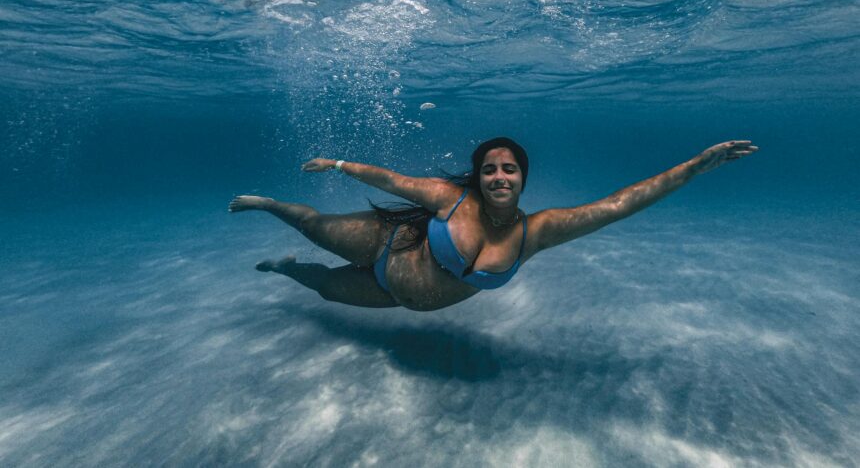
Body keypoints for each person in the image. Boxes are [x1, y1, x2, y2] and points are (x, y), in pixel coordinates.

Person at [228, 137, 757, 311]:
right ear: (479, 178)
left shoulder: (538, 231)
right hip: (388, 243)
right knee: (314, 224)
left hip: (396, 296)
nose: (499, 176)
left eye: (509, 169)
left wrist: (693, 167)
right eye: (489, 169)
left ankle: (282, 269)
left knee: (323, 288)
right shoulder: (448, 198)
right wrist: (338, 165)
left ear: (522, 178)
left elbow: (618, 204)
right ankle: (267, 204)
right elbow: (389, 179)